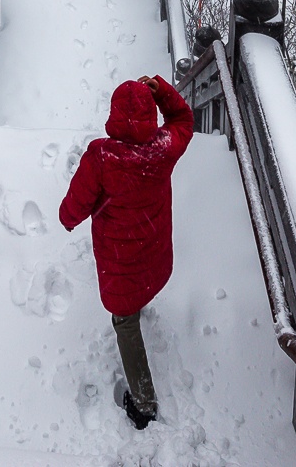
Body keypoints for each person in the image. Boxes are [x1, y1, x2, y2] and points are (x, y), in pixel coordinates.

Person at [59, 74, 194, 430]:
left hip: (120, 264)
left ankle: (145, 403)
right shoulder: (163, 148)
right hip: (153, 253)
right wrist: (162, 91)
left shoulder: (102, 156)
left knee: (125, 321)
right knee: (141, 288)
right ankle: (142, 304)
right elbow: (183, 120)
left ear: (114, 114)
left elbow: (75, 206)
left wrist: (68, 219)